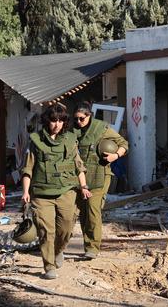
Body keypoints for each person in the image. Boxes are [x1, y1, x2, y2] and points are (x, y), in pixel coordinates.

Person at [21, 103, 92, 279]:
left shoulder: (69, 139)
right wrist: (25, 192)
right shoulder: (36, 140)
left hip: (67, 191)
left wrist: (83, 187)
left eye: (60, 120)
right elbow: (27, 169)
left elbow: (79, 166)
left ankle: (58, 250)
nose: (57, 124)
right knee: (46, 230)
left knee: (66, 228)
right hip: (42, 194)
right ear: (47, 121)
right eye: (53, 120)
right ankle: (49, 265)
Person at [72, 101, 128, 259]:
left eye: (81, 118)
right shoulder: (73, 130)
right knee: (82, 212)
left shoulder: (101, 129)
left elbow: (123, 144)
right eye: (75, 119)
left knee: (92, 211)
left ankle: (93, 248)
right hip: (79, 178)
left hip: (99, 176)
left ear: (89, 116)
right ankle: (87, 244)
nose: (78, 122)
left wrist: (115, 156)